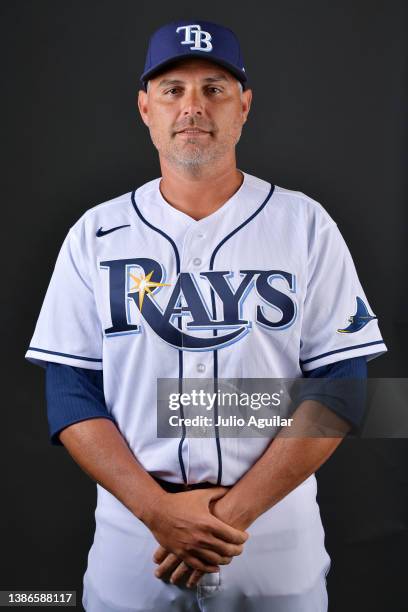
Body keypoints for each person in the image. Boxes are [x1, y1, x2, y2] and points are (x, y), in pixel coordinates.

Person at [25, 19, 387, 612]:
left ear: (243, 107)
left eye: (214, 88)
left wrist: (226, 519)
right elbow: (70, 392)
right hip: (135, 537)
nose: (193, 105)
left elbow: (342, 387)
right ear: (146, 108)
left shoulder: (304, 224)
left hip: (270, 535)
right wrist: (158, 513)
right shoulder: (95, 233)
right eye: (173, 90)